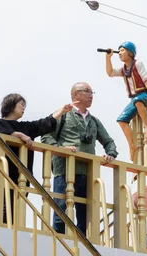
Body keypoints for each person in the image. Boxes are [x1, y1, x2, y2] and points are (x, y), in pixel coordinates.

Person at [41, 82, 118, 235]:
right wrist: (62, 149)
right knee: (60, 209)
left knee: (85, 214)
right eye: (87, 91)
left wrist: (110, 154)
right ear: (75, 94)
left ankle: (83, 245)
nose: (91, 95)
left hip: (87, 172)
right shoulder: (63, 115)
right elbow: (46, 136)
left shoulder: (94, 120)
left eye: (91, 92)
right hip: (64, 169)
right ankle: (58, 241)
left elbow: (109, 142)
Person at [0, 94, 75, 225]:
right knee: (4, 204)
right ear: (11, 105)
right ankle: (2, 229)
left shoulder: (26, 127)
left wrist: (62, 111)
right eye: (21, 105)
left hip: (22, 175)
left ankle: (13, 229)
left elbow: (43, 124)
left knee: (18, 206)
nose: (24, 108)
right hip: (4, 171)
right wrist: (19, 135)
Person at [105, 41, 147, 161]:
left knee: (138, 101)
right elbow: (110, 73)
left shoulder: (138, 64)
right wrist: (108, 58)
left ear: (130, 52)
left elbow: (146, 80)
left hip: (145, 94)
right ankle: (131, 145)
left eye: (122, 50)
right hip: (135, 99)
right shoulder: (124, 70)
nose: (120, 53)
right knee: (121, 119)